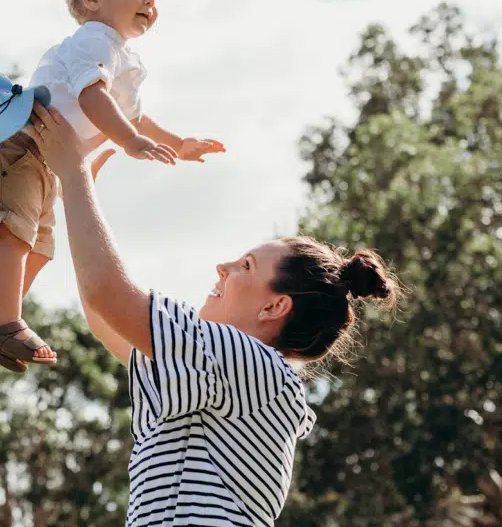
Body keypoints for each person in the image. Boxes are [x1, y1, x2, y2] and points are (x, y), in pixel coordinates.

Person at [21, 102, 403, 526]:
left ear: (275, 306)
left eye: (245, 266)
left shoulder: (252, 364)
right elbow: (103, 312)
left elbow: (108, 295)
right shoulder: (228, 373)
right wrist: (77, 196)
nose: (222, 267)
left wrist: (73, 176)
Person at [0, 0, 225, 372]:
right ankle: (6, 322)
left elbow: (135, 117)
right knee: (16, 237)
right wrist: (127, 141)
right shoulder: (93, 41)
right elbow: (92, 98)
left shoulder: (124, 58)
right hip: (19, 144)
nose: (150, 0)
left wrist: (179, 143)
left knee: (41, 249)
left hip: (45, 160)